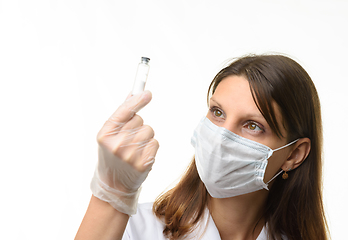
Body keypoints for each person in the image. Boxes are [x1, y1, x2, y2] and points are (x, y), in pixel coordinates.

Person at [75, 54, 329, 240]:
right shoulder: (135, 229)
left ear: (294, 154)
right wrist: (110, 197)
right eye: (217, 112)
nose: (220, 137)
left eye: (252, 125)